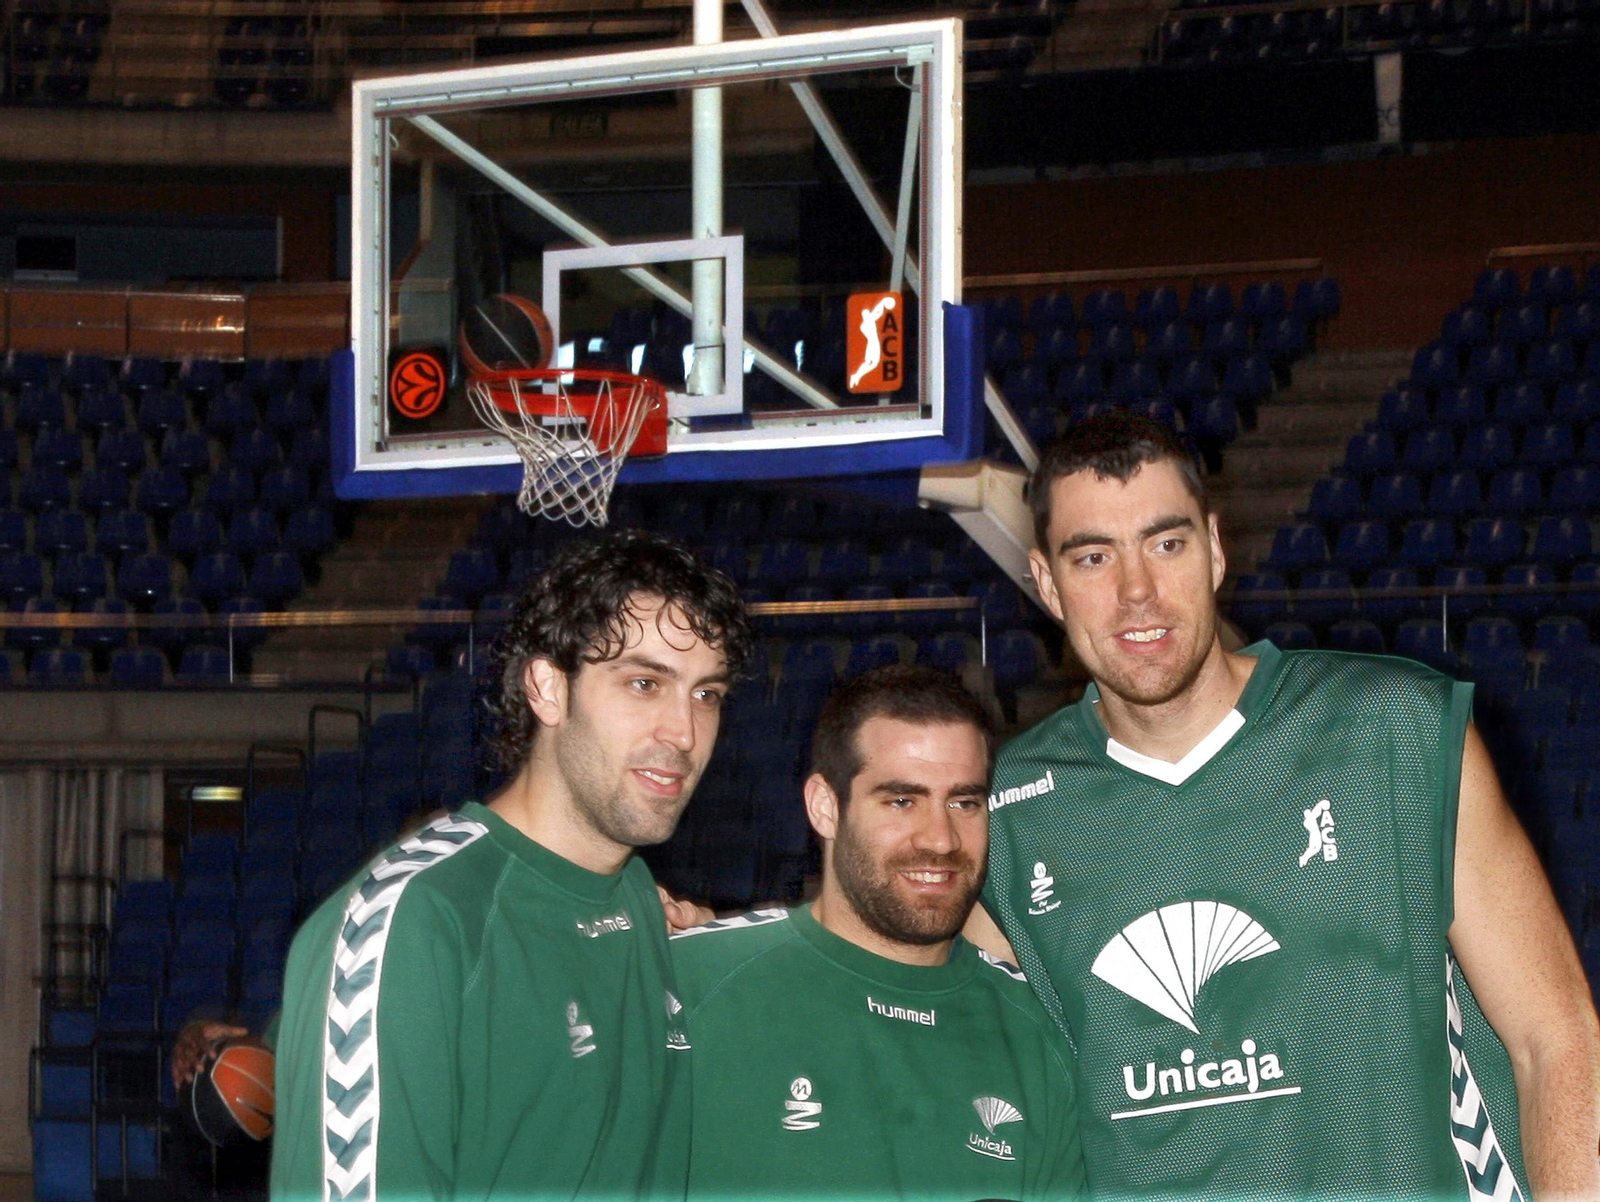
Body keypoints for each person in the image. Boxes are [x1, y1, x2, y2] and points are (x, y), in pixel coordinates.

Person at [972, 411, 1600, 1200]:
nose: (1137, 592)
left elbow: (1556, 1039)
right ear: (1045, 582)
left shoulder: (1394, 730)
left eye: (1166, 544)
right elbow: (974, 1102)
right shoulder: (1006, 811)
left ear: (1215, 548)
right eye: (1093, 557)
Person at [270, 530, 755, 1202]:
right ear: (547, 688)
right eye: (645, 683)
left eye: (708, 695)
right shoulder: (416, 921)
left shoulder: (643, 904)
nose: (684, 732)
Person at [672, 664, 1086, 1202]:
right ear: (825, 806)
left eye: (965, 803)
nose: (940, 839)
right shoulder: (689, 985)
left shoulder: (1038, 1035)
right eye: (901, 801)